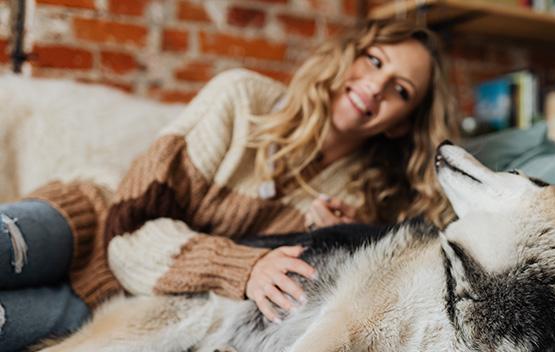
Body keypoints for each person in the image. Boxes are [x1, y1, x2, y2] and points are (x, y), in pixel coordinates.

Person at [0, 18, 459, 350]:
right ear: (347, 58)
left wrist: (334, 241)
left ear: (403, 124)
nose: (376, 86)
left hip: (128, 308)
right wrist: (245, 267)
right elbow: (128, 228)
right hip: (87, 227)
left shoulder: (357, 211)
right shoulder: (241, 99)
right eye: (374, 60)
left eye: (400, 90)